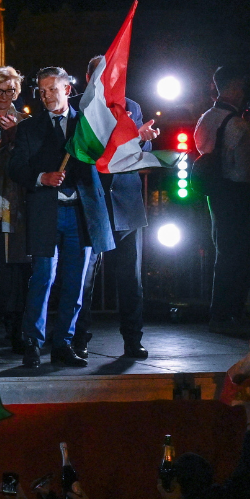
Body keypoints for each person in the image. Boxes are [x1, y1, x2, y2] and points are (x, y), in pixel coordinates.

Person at [11, 68, 115, 369]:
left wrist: (140, 140)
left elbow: (110, 154)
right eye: (41, 91)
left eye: (52, 90)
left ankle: (64, 344)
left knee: (75, 282)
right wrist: (42, 177)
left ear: (68, 89)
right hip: (46, 212)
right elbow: (16, 168)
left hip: (80, 214)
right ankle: (32, 342)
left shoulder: (87, 124)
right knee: (43, 278)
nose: (46, 96)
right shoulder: (30, 128)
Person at [85, 54, 159, 359]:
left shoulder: (133, 106)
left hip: (126, 204)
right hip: (92, 203)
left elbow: (145, 148)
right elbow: (89, 151)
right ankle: (77, 340)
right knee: (84, 279)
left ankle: (132, 339)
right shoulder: (80, 107)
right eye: (102, 75)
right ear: (89, 77)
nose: (109, 80)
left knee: (131, 279)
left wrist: (142, 139)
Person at [195, 66, 250, 330]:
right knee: (239, 254)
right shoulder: (237, 124)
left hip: (216, 191)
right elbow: (243, 167)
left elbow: (202, 147)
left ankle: (219, 311)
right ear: (233, 88)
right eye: (241, 88)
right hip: (236, 193)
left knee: (223, 250)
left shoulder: (206, 117)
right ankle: (230, 313)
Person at [0, 66, 31, 351]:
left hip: (15, 201)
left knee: (16, 266)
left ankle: (17, 327)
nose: (5, 96)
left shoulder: (26, 122)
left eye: (10, 90)